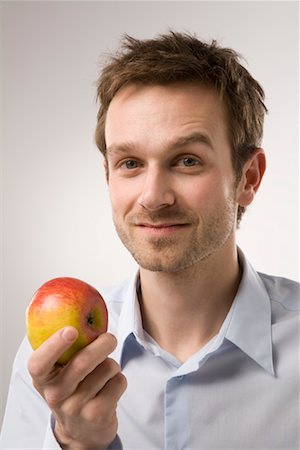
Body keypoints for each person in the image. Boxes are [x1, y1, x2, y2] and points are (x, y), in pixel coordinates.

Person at [0, 31, 299, 450]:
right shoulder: (51, 363)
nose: (153, 197)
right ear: (108, 176)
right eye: (130, 163)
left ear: (248, 178)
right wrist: (75, 444)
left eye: (188, 160)